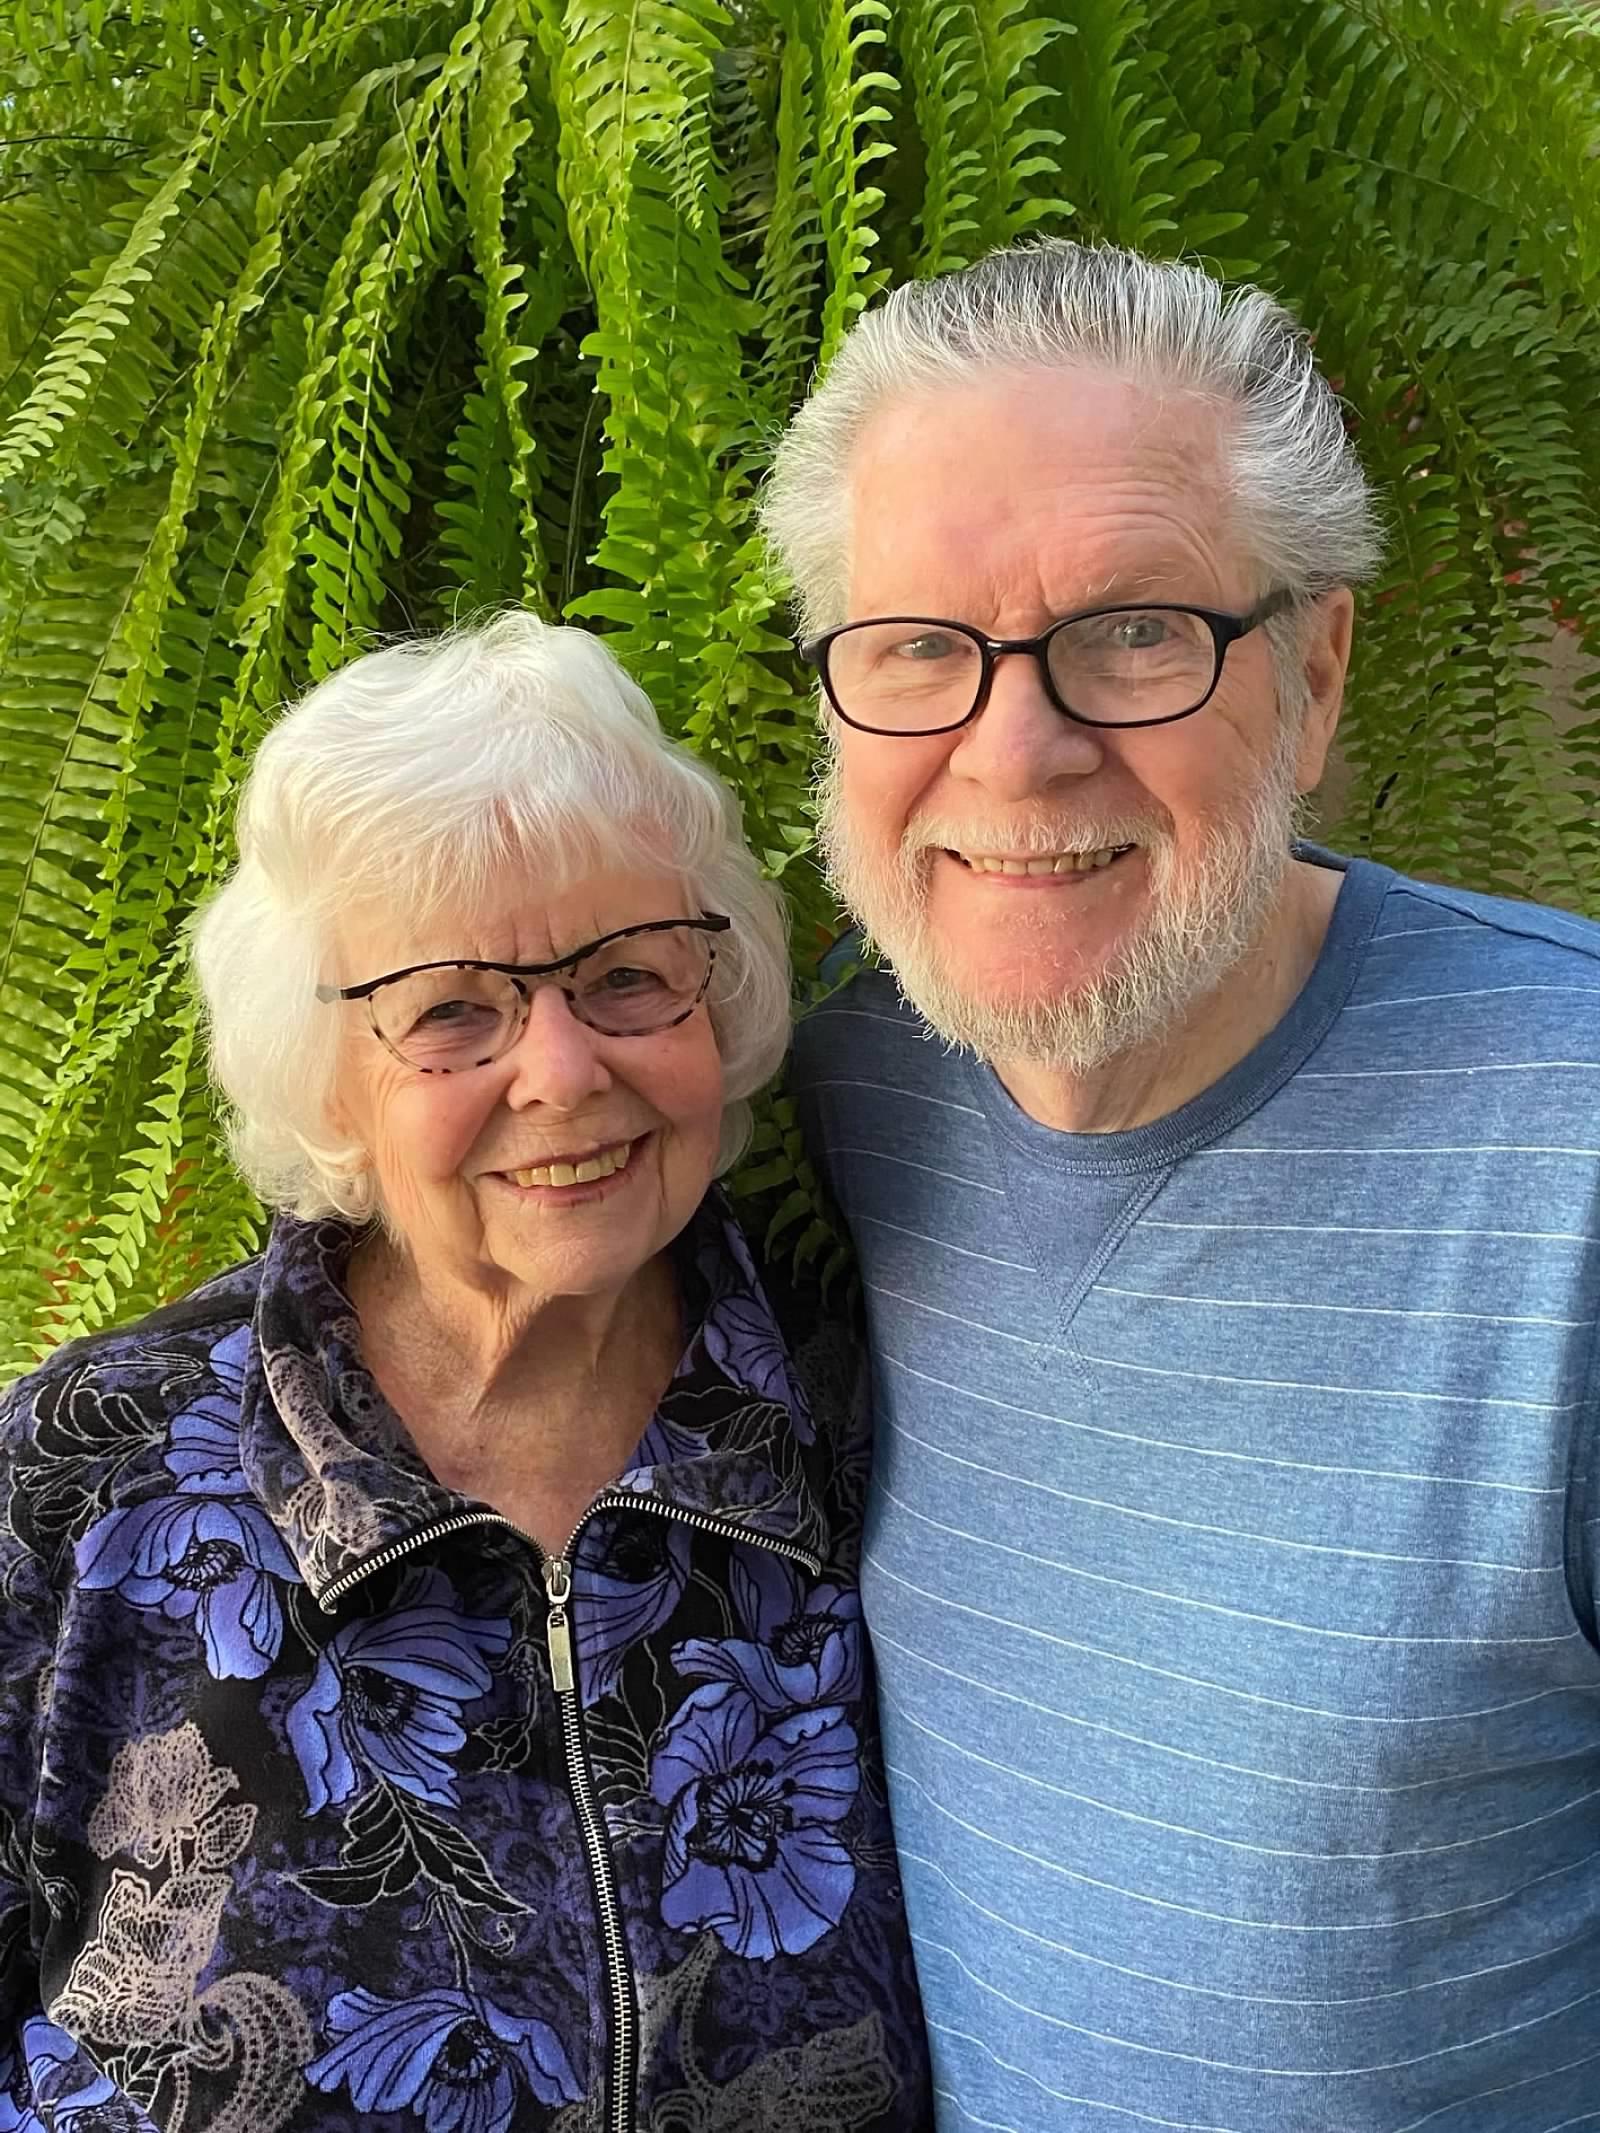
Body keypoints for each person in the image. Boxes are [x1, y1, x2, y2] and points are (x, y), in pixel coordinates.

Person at [763, 239, 1600, 2132]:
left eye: (1135, 631)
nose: (1015, 749)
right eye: (916, 647)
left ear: (1315, 672)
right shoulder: (829, 1101)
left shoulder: (1571, 1160)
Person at [0, 614, 931, 2133]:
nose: (561, 1071)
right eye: (452, 1010)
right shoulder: (87, 1473)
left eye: (628, 975)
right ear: (329, 1080)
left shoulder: (864, 1422)